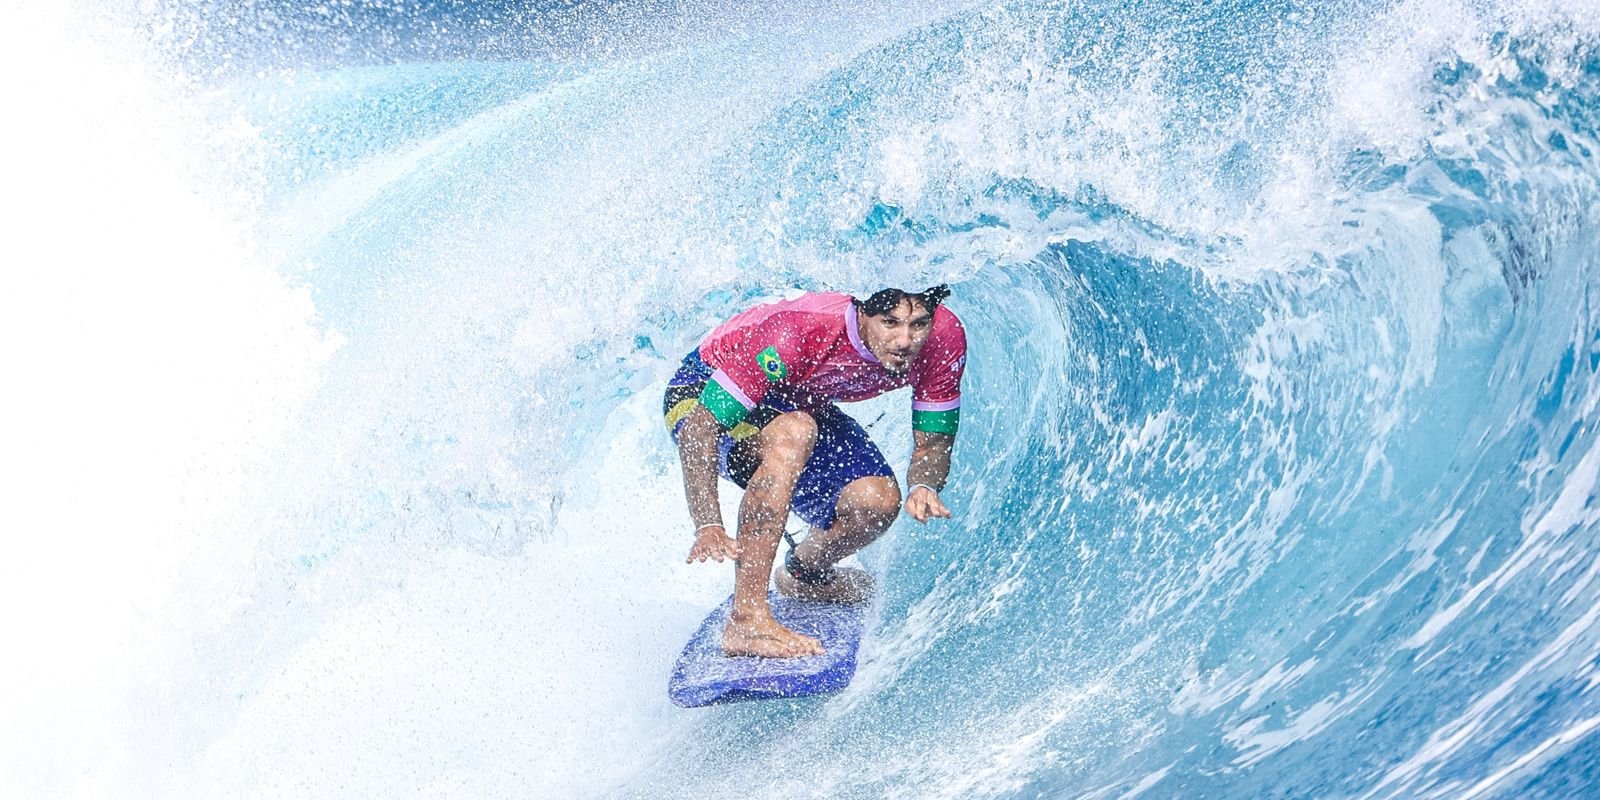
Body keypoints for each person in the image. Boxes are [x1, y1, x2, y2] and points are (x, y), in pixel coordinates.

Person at [663, 286, 967, 658]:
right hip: (701, 394)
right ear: (863, 314)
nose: (905, 340)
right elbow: (700, 430)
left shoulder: (943, 338)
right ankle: (746, 621)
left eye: (918, 325)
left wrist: (924, 485)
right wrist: (707, 523)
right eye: (890, 323)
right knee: (795, 432)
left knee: (877, 501)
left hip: (794, 398)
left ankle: (805, 574)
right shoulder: (800, 331)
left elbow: (933, 443)